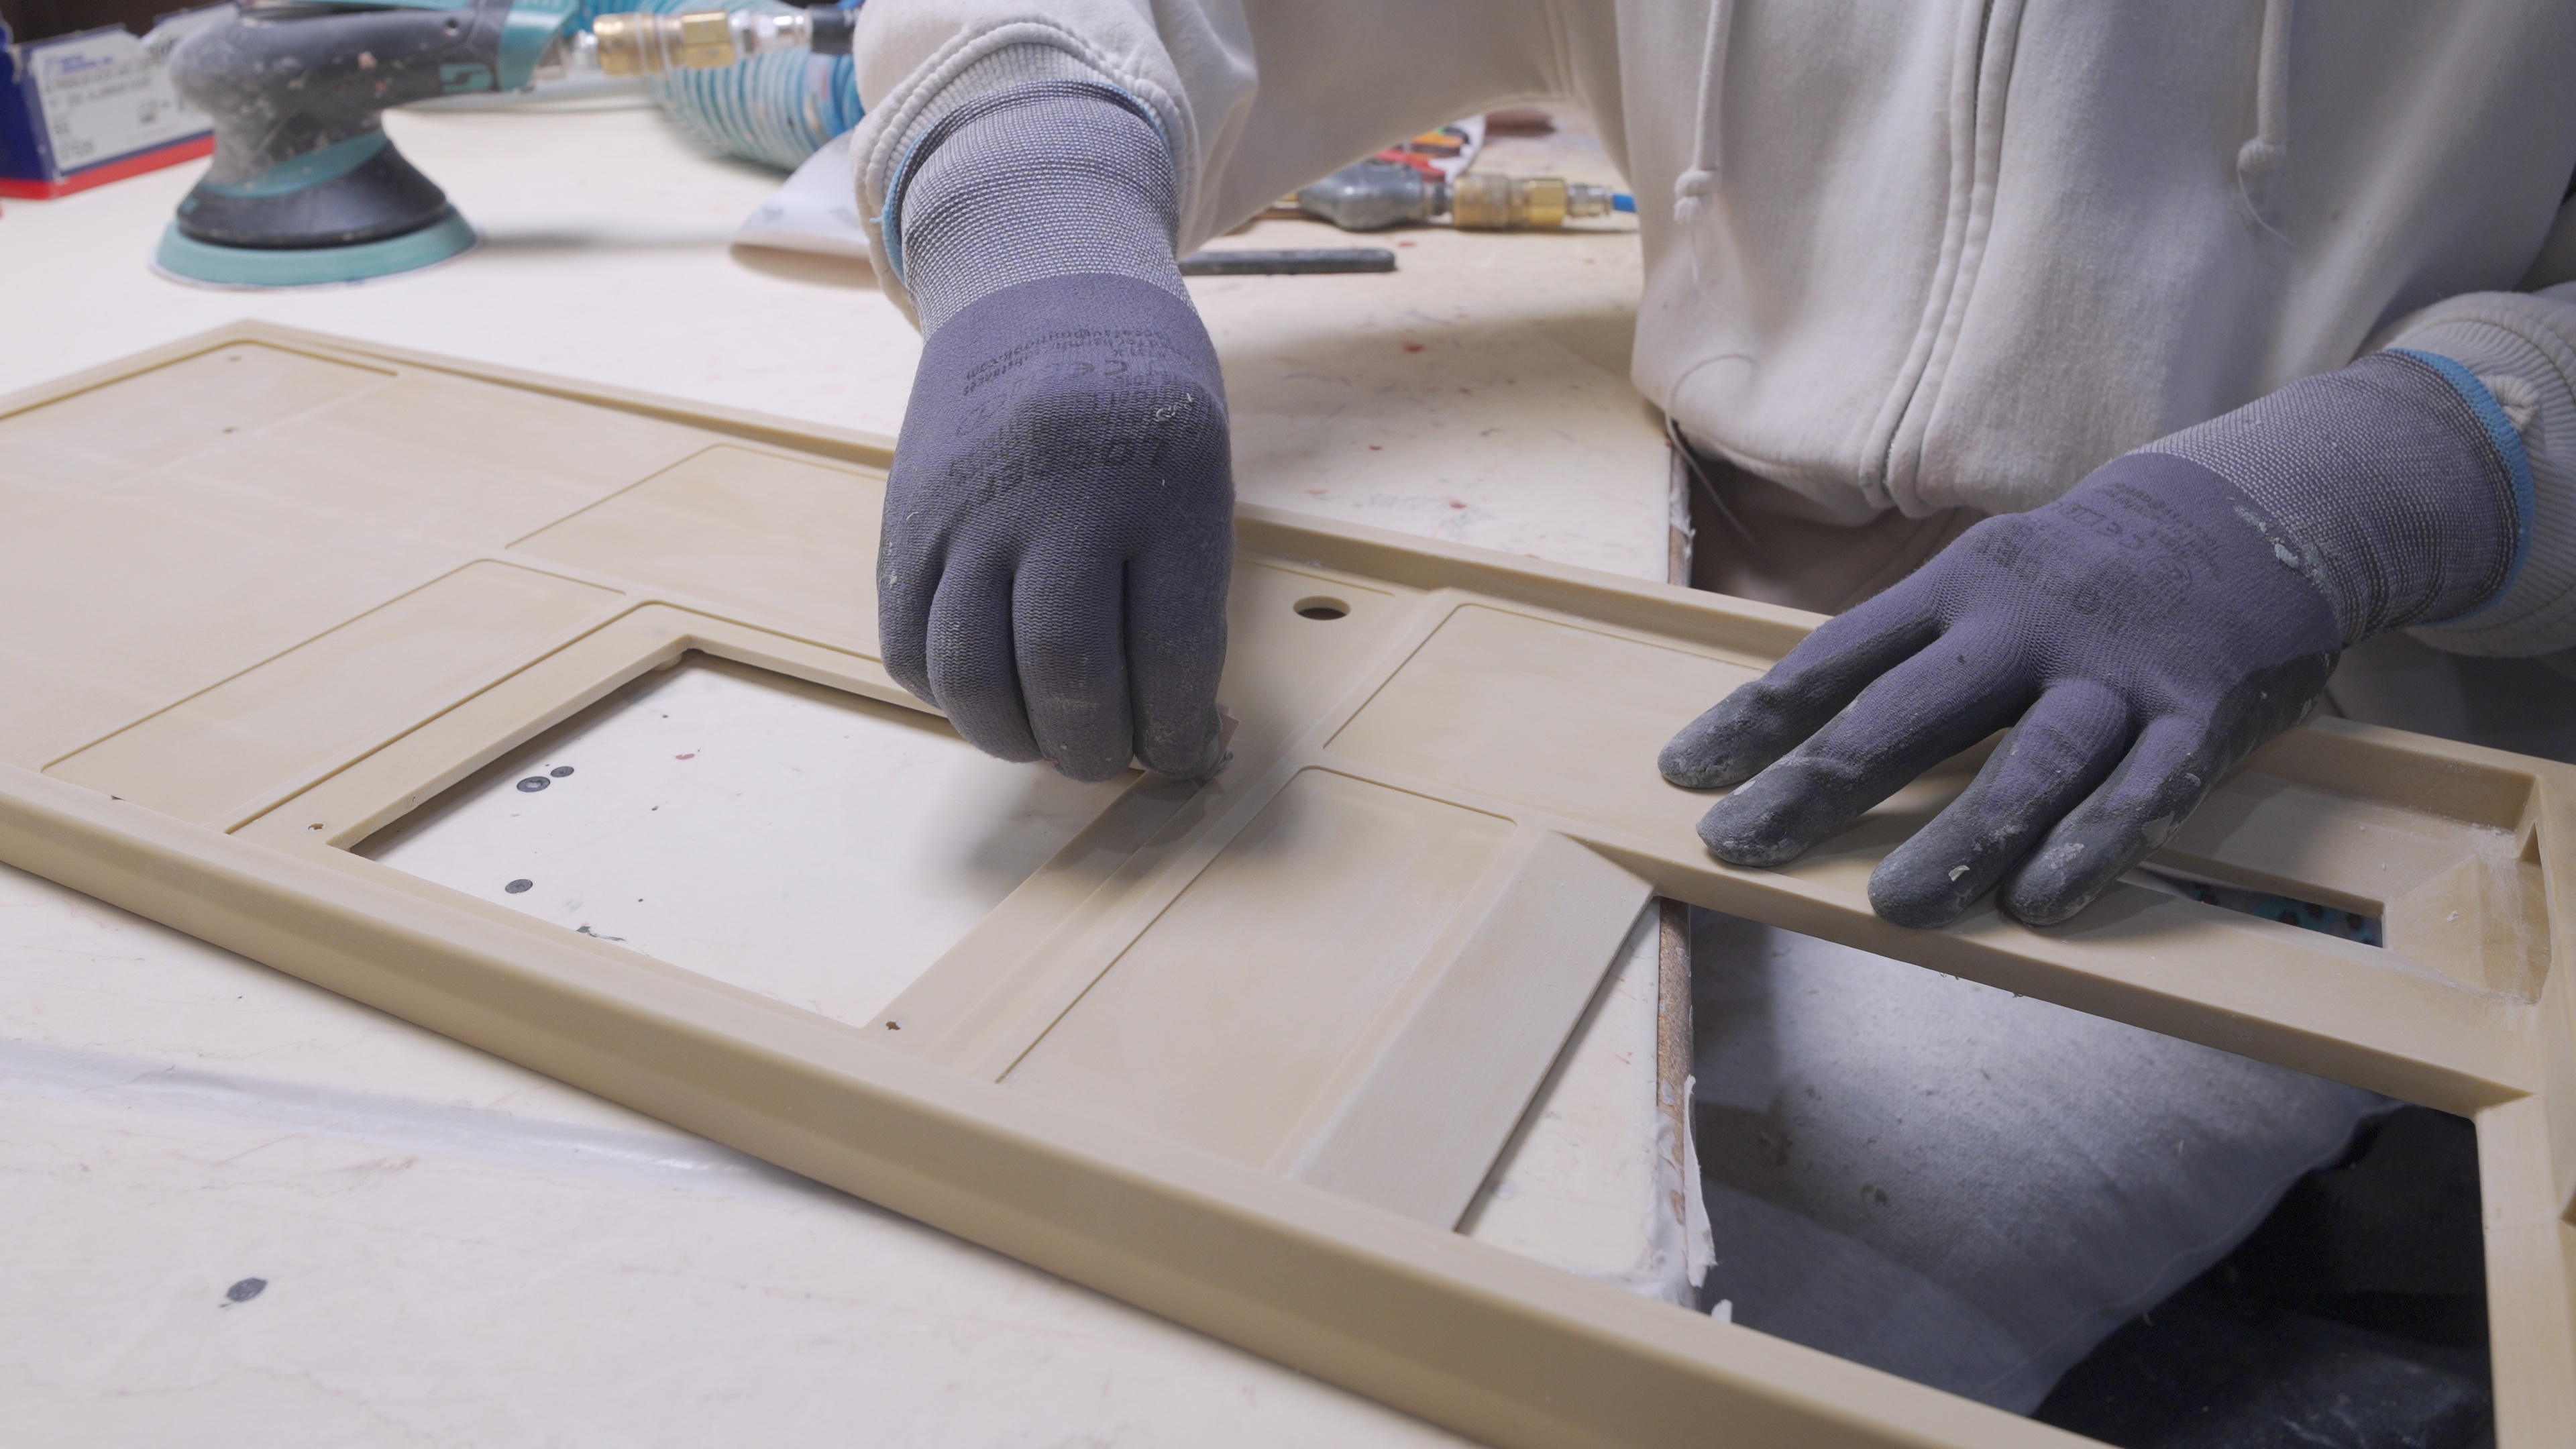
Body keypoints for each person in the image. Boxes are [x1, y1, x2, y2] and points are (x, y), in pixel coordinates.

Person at [843, 0, 2576, 1413]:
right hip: (1668, 604)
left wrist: (2402, 474)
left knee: (1491, 1371)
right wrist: (1038, 220)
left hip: (2289, 742)